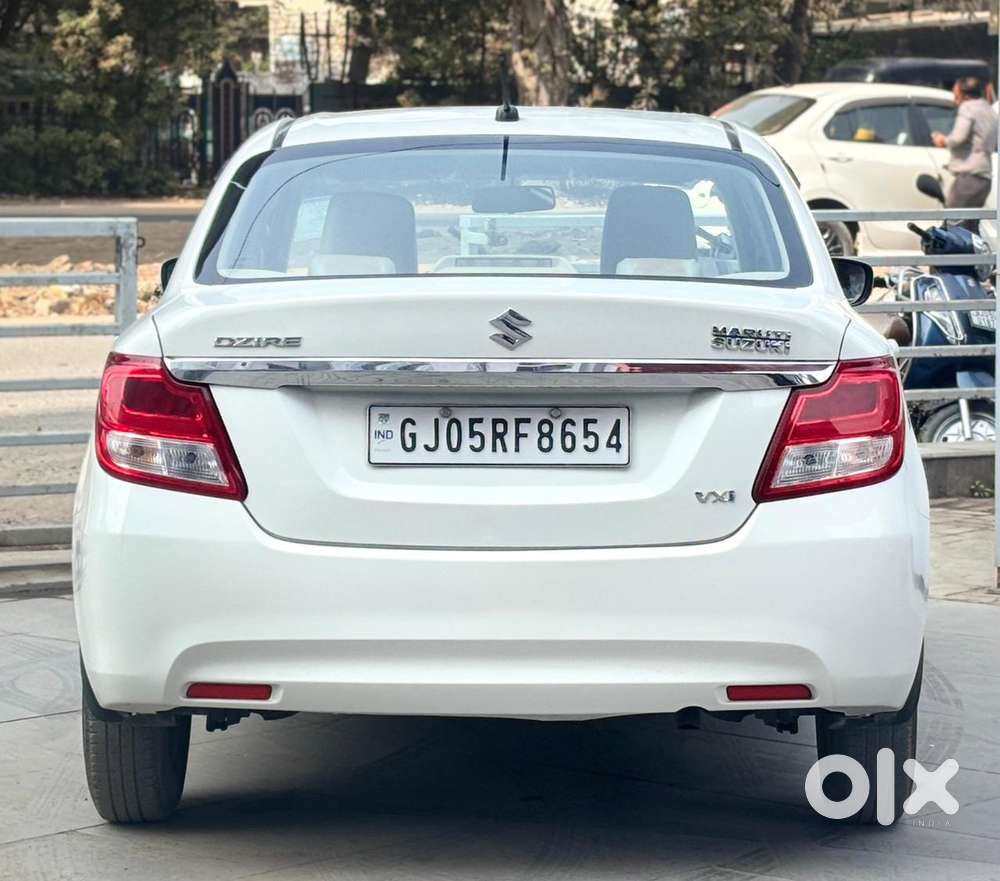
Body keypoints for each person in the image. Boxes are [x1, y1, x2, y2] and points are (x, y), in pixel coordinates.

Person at [931, 77, 998, 229]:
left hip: (969, 175)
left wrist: (943, 140)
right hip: (985, 176)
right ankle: (973, 252)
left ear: (963, 94)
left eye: (956, 94)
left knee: (952, 222)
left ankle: (951, 253)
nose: (955, 99)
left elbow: (958, 137)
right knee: (971, 225)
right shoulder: (988, 109)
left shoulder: (967, 107)